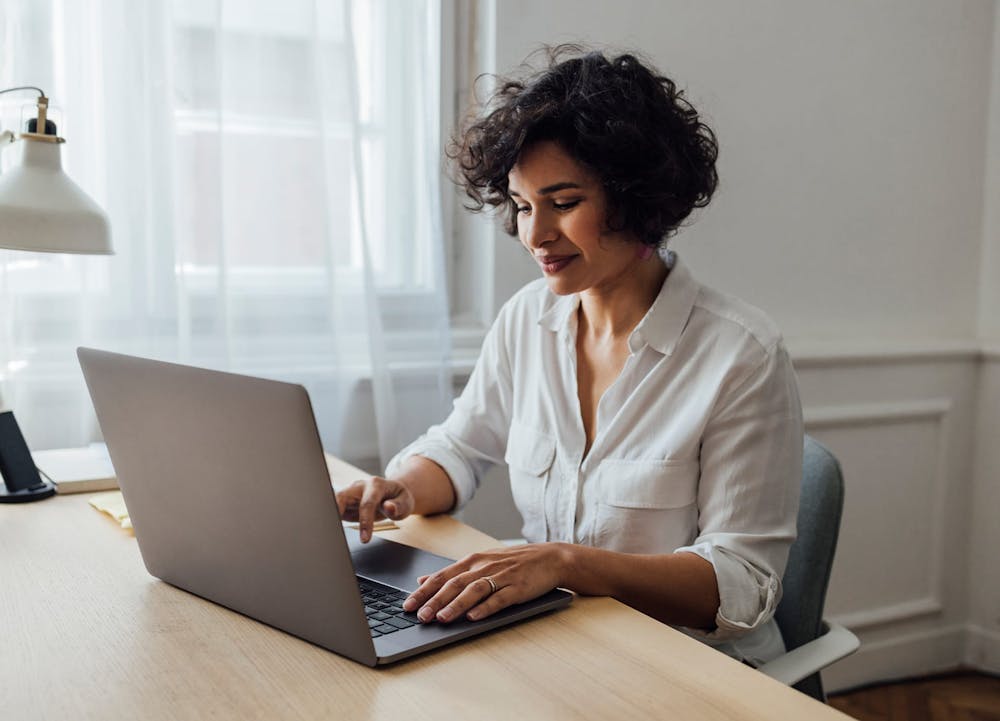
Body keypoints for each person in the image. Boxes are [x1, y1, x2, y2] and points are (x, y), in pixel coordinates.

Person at [336, 45, 802, 666]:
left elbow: (744, 584)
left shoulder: (741, 355)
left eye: (563, 203)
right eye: (523, 206)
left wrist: (568, 563)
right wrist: (397, 489)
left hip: (690, 666)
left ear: (637, 199)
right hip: (563, 645)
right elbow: (461, 446)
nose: (535, 235)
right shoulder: (528, 318)